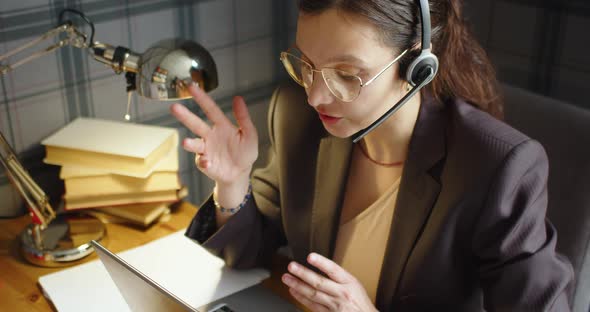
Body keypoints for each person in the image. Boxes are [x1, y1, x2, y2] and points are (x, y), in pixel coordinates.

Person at [170, 0, 573, 311]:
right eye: (306, 65)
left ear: (418, 64)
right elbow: (247, 253)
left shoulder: (497, 169)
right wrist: (233, 181)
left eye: (346, 75)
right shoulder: (298, 117)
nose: (315, 95)